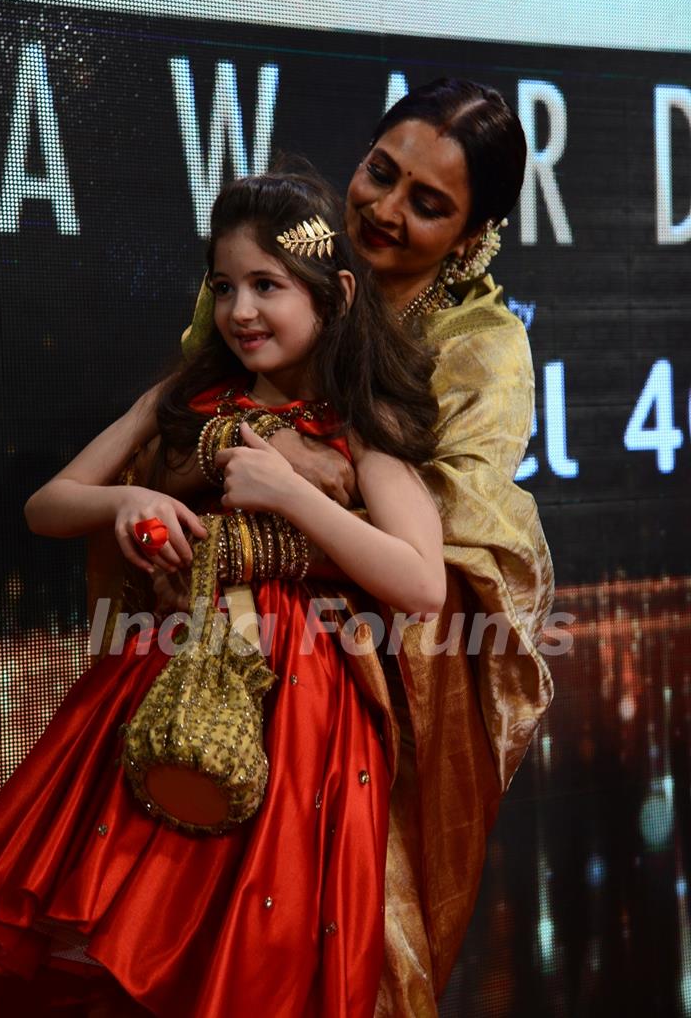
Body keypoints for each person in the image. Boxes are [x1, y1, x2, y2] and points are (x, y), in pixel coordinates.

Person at [0, 172, 447, 1017]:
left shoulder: (360, 422)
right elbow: (48, 506)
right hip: (168, 667)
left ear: (334, 295)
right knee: (126, 913)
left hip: (301, 703)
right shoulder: (184, 402)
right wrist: (131, 498)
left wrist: (293, 493)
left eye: (268, 286)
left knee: (248, 947)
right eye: (224, 287)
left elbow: (421, 582)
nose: (241, 311)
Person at [162, 78, 556, 1014]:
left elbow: (458, 548)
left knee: (325, 949)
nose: (383, 208)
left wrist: (292, 509)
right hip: (218, 643)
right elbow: (184, 423)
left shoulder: (481, 347)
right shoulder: (282, 263)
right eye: (381, 173)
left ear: (471, 237)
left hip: (373, 687)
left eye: (429, 205)